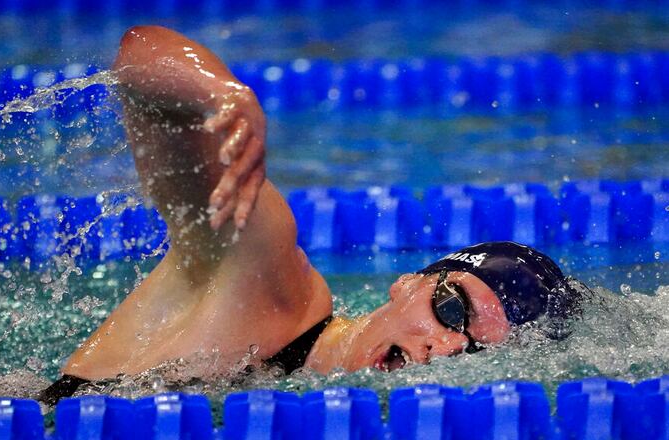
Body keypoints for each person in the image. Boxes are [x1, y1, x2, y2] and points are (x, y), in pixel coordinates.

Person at [39, 26, 583, 404]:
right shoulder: (266, 285)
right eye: (451, 309)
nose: (442, 350)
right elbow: (139, 52)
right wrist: (222, 94)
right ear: (408, 284)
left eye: (473, 351)